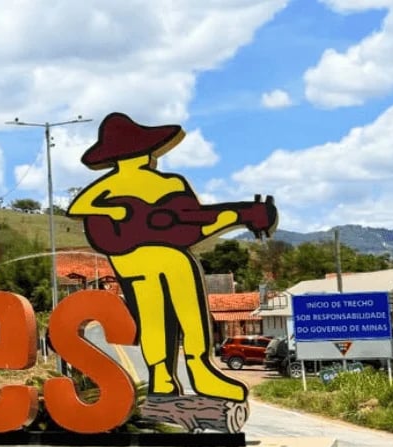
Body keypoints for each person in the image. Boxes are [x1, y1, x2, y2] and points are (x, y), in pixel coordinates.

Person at [68, 113, 276, 401]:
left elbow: (194, 225)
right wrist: (120, 210)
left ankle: (194, 372)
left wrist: (239, 215)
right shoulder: (114, 187)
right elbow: (78, 207)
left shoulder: (171, 185)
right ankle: (164, 377)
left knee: (186, 311)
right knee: (160, 317)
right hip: (136, 261)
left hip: (166, 258)